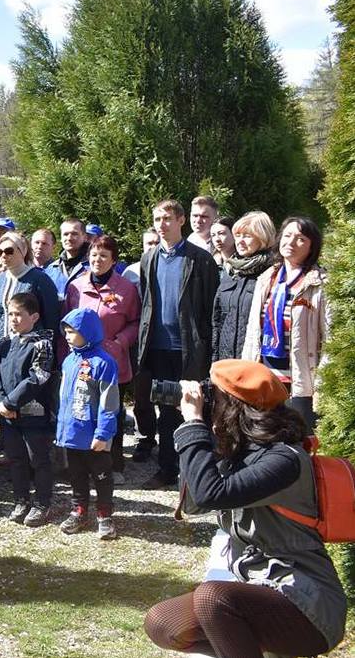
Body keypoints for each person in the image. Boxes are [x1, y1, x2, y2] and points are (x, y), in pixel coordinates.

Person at [144, 359, 346, 658]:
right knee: (163, 624)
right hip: (256, 589)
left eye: (214, 395)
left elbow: (211, 494)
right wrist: (202, 434)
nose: (206, 400)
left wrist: (193, 425)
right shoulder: (240, 450)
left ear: (233, 406)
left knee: (212, 597)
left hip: (307, 604)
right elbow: (193, 503)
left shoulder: (285, 460)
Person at [134, 199, 219, 489]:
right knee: (165, 412)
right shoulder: (149, 259)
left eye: (167, 218)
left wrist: (206, 348)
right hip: (158, 348)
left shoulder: (200, 259)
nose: (162, 224)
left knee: (193, 410)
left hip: (187, 350)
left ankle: (196, 473)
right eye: (157, 219)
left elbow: (211, 308)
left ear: (181, 220)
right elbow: (146, 303)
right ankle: (167, 470)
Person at [66, 235, 140, 485]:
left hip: (112, 360)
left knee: (112, 413)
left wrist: (120, 341)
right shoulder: (76, 287)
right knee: (84, 409)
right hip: (83, 363)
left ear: (114, 260)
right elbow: (68, 321)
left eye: (104, 256)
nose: (98, 260)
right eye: (94, 255)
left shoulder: (126, 289)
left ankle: (114, 464)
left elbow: (136, 321)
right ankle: (84, 462)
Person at [242, 217, 328, 434]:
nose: (291, 241)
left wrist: (322, 384)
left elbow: (331, 339)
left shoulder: (319, 284)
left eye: (301, 238)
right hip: (264, 377)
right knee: (262, 437)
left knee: (298, 441)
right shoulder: (266, 279)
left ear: (312, 247)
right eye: (288, 235)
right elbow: (253, 333)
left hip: (299, 379)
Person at [0, 292, 55, 527]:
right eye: (10, 314)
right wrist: (0, 402)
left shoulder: (42, 343)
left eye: (19, 314)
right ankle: (21, 499)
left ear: (34, 316)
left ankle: (42, 502)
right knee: (15, 458)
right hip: (7, 415)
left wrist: (11, 402)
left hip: (33, 415)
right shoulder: (6, 342)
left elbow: (38, 376)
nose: (13, 319)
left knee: (37, 458)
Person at [57, 307, 120, 540]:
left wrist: (103, 433)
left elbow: (109, 401)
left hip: (94, 436)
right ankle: (79, 510)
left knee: (102, 476)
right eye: (65, 331)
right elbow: (64, 396)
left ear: (88, 332)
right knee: (76, 476)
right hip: (72, 434)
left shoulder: (104, 363)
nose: (67, 336)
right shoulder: (69, 361)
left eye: (72, 331)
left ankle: (104, 514)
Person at [211, 211, 278, 363]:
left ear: (263, 237)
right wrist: (216, 361)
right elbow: (218, 321)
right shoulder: (232, 269)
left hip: (256, 361)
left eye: (247, 236)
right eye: (238, 235)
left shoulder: (272, 272)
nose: (240, 241)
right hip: (226, 360)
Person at [0, 232, 60, 341]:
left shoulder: (39, 279)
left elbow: (51, 319)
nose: (3, 255)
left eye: (9, 251)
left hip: (31, 347)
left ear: (23, 251)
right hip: (3, 347)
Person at [48, 218, 89, 301]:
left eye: (74, 234)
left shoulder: (95, 267)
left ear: (85, 237)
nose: (69, 238)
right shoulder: (50, 270)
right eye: (65, 234)